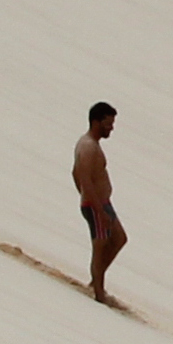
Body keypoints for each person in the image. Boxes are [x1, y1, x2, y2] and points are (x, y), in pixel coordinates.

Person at [73, 101, 126, 303]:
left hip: (103, 203)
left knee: (119, 238)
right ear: (97, 121)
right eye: (108, 123)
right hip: (96, 206)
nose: (111, 128)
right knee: (100, 245)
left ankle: (96, 281)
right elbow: (83, 178)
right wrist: (96, 207)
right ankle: (99, 293)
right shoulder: (87, 147)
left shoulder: (93, 146)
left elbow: (75, 174)